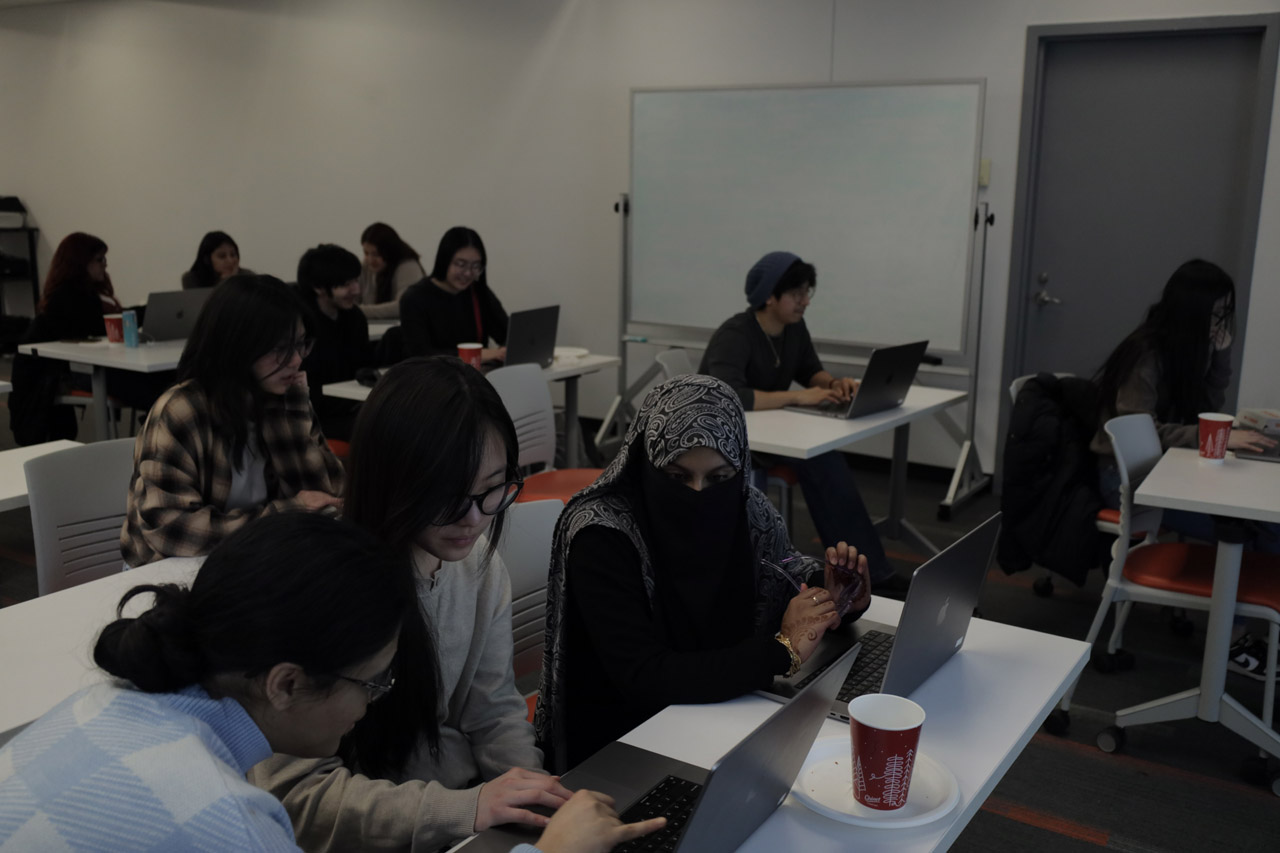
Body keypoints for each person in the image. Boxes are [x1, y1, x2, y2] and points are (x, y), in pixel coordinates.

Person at [1, 513, 657, 853]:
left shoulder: (102, 701)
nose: (372, 703)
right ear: (285, 684)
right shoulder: (229, 816)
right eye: (372, 681)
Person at [249, 356, 573, 852]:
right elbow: (296, 795)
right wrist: (470, 809)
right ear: (391, 480)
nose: (473, 519)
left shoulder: (479, 565)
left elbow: (493, 713)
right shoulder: (323, 590)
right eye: (447, 494)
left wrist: (537, 803)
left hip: (462, 815)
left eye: (492, 489)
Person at [534, 374, 873, 772]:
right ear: (645, 461)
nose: (697, 494)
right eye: (677, 477)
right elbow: (643, 676)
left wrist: (831, 595)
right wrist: (781, 651)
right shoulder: (603, 534)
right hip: (625, 746)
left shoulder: (748, 508)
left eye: (718, 478)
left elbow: (783, 566)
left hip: (729, 715)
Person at [1090, 259, 1278, 678]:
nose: (1220, 324)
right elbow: (1142, 428)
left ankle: (1253, 628)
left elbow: (1206, 407)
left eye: (1225, 313)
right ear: (1192, 309)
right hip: (1126, 479)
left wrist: (1221, 356)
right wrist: (1217, 438)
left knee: (1265, 526)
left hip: (1164, 470)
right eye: (1216, 313)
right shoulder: (1145, 354)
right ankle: (1233, 639)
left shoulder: (1187, 347)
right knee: (1247, 528)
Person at [699, 250, 900, 594]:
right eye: (797, 294)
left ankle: (860, 572)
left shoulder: (794, 328)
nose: (805, 301)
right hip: (729, 439)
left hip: (771, 434)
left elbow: (810, 370)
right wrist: (798, 397)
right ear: (769, 296)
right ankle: (867, 575)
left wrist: (833, 383)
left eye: (807, 292)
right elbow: (732, 395)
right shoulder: (736, 334)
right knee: (824, 462)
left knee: (824, 458)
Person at [120, 274, 344, 566]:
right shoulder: (181, 411)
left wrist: (296, 410)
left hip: (251, 557)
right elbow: (171, 529)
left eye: (301, 344)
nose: (297, 360)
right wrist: (284, 513)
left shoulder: (281, 395)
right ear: (236, 346)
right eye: (280, 349)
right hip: (168, 569)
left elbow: (328, 496)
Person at [9, 232, 165, 444]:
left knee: (159, 383)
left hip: (85, 367)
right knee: (155, 388)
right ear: (80, 263)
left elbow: (99, 325)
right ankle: (156, 431)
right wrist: (142, 313)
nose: (105, 265)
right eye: (99, 259)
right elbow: (98, 327)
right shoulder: (65, 298)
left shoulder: (85, 294)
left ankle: (156, 428)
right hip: (73, 371)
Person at [296, 243, 372, 441]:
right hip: (315, 416)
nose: (356, 290)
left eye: (356, 280)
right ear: (318, 287)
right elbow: (307, 394)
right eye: (346, 284)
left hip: (351, 406)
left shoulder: (355, 317)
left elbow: (363, 368)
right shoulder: (300, 326)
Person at [400, 226, 508, 361]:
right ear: (444, 260)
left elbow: (507, 334)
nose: (468, 273)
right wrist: (475, 354)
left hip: (476, 370)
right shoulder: (415, 298)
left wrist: (505, 350)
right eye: (461, 264)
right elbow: (421, 355)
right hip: (434, 372)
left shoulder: (479, 292)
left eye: (475, 266)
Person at [358, 222, 426, 320]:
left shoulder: (408, 266)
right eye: (366, 253)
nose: (370, 259)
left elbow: (404, 306)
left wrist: (357, 311)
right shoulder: (365, 266)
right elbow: (351, 300)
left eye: (376, 254)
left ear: (389, 252)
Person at [182, 230, 250, 289]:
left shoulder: (248, 277)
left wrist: (234, 280)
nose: (230, 261)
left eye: (233, 255)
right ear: (207, 260)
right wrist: (224, 282)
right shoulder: (192, 279)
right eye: (222, 256)